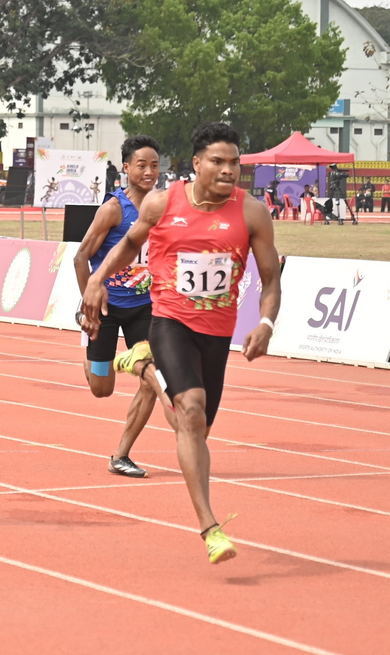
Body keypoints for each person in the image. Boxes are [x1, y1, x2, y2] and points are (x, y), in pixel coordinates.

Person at [83, 122, 282, 564]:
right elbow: (128, 247)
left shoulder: (251, 213)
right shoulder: (161, 203)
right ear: (196, 164)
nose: (228, 170)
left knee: (195, 428)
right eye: (218, 161)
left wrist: (266, 322)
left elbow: (271, 279)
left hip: (218, 330)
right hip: (169, 320)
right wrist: (97, 280)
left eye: (234, 162)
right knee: (189, 411)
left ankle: (141, 365)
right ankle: (211, 528)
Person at [73, 135, 172, 478]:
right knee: (102, 389)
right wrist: (89, 303)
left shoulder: (164, 207)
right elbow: (81, 256)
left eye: (155, 165)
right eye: (141, 165)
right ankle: (92, 349)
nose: (149, 172)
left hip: (146, 308)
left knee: (151, 379)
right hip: (106, 309)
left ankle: (121, 454)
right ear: (126, 168)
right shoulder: (114, 209)